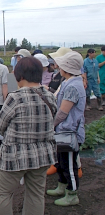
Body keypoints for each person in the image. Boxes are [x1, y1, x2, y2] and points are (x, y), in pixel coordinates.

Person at [0, 56, 57, 215]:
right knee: (36, 194)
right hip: (43, 155)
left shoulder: (15, 97)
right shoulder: (50, 96)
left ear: (20, 76)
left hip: (15, 156)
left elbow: (1, 125)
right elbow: (52, 119)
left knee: (3, 193)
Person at [47, 51, 86, 206]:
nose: (58, 67)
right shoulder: (69, 81)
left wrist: (52, 125)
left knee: (69, 165)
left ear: (67, 67)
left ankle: (72, 194)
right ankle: (61, 186)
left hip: (70, 132)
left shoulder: (73, 86)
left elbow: (63, 112)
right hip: (63, 131)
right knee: (62, 162)